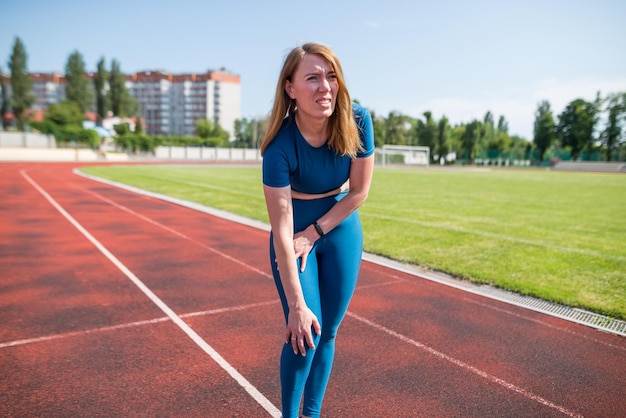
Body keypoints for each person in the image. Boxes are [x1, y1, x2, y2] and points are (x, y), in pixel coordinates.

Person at [260, 42, 375, 418]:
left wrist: (317, 232)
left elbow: (358, 192)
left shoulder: (358, 121)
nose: (325, 86)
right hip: (292, 230)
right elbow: (281, 230)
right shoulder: (278, 148)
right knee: (304, 332)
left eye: (331, 77)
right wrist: (296, 305)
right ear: (290, 88)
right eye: (312, 77)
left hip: (340, 226)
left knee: (327, 333)